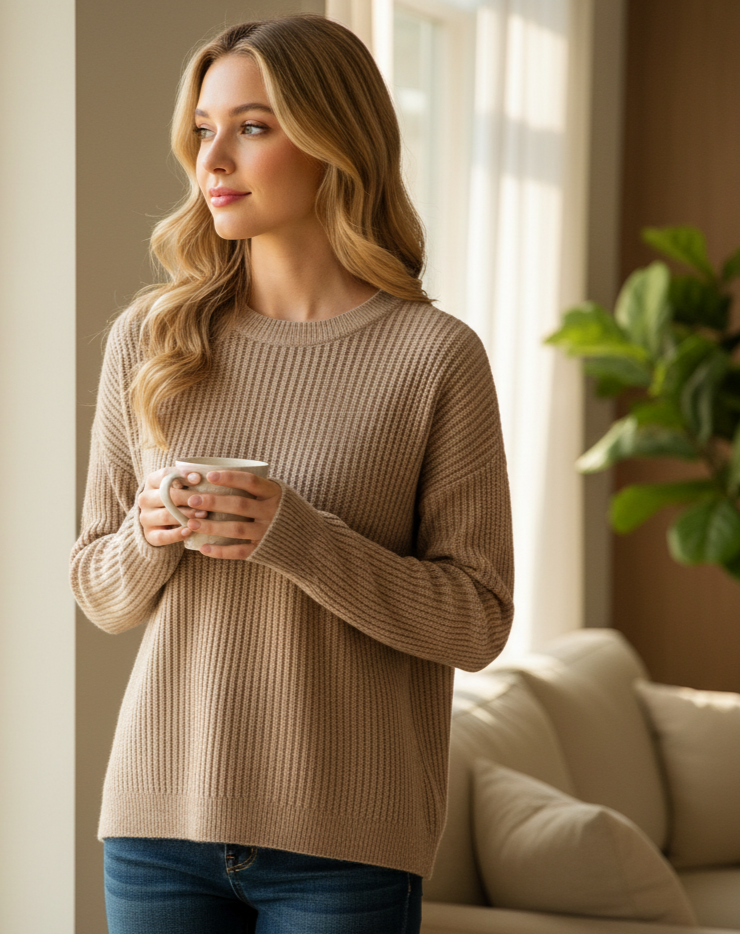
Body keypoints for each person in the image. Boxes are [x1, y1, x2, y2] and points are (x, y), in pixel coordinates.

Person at [71, 13, 513, 934]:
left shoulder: (435, 357)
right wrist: (150, 536)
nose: (214, 159)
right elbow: (98, 590)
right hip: (158, 827)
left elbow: (477, 619)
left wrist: (300, 538)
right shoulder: (150, 341)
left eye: (254, 126)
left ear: (334, 142)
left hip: (346, 844)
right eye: (203, 129)